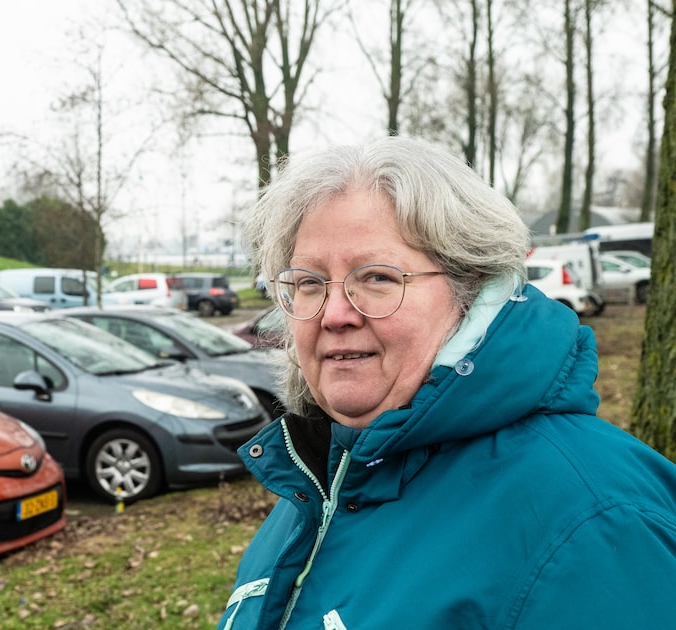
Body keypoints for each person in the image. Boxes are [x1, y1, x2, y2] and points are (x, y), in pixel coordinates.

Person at [219, 135, 676, 629]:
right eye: (309, 283)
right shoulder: (320, 481)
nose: (333, 314)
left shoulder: (594, 522)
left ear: (471, 291)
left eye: (376, 277)